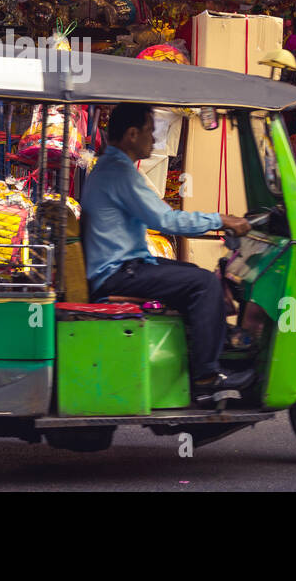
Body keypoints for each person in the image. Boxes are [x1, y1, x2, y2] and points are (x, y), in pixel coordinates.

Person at [81, 102, 254, 397]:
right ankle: (205, 377)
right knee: (202, 284)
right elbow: (165, 220)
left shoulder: (112, 167)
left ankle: (215, 344)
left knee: (193, 274)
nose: (156, 139)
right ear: (132, 134)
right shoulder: (119, 172)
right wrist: (220, 219)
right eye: (151, 131)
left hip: (124, 266)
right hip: (117, 274)